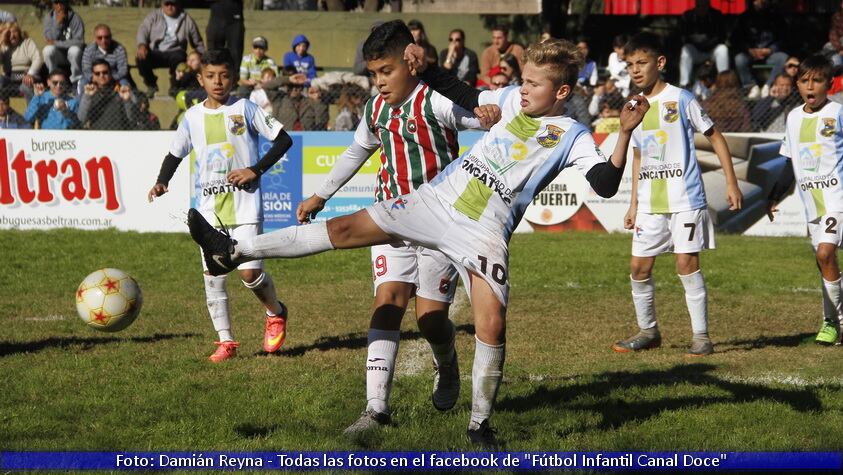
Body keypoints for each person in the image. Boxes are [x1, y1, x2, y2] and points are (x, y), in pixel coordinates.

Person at [186, 37, 649, 447]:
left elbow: (606, 183)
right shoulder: (509, 101)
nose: (522, 89)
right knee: (346, 229)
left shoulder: (572, 135)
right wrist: (428, 67)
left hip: (484, 230)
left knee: (491, 324)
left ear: (562, 93)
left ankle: (480, 426)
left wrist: (624, 134)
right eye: (522, 81)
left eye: (533, 84)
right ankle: (234, 251)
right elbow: (467, 94)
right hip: (435, 198)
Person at [294, 20, 489, 436]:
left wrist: (485, 110)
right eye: (374, 74)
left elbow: (482, 118)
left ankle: (446, 359)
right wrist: (320, 196)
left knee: (430, 319)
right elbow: (355, 152)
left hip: (438, 225)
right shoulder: (375, 110)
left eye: (387, 72)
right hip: (389, 219)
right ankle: (376, 408)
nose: (379, 82)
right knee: (388, 301)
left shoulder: (435, 102)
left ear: (411, 62)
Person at [148, 49, 294, 362]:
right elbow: (175, 154)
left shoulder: (245, 108)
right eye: (211, 76)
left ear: (232, 77)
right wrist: (162, 181)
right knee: (213, 276)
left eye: (224, 75)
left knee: (249, 272)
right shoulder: (192, 117)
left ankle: (275, 312)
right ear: (200, 79)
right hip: (207, 209)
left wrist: (254, 170)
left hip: (245, 205)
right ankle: (225, 341)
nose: (218, 82)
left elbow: (283, 140)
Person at [613, 32, 742, 357]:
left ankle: (701, 337)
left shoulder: (681, 98)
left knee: (686, 263)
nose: (636, 70)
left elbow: (715, 136)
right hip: (650, 203)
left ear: (660, 62)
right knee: (639, 268)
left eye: (642, 63)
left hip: (685, 198)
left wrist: (731, 182)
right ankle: (648, 331)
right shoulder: (633, 107)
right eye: (630, 65)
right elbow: (638, 154)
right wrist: (633, 203)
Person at [767, 54, 843, 346]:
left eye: (817, 80)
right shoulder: (793, 118)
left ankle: (834, 322)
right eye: (804, 80)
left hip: (837, 199)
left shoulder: (837, 113)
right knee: (823, 263)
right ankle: (832, 325)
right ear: (797, 84)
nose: (810, 87)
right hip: (812, 203)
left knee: (825, 254)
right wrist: (775, 195)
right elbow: (790, 163)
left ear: (829, 83)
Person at [136, 0, 205, 97]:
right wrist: (141, 45)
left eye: (172, 4)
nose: (169, 7)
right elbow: (143, 30)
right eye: (167, 4)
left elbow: (197, 41)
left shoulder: (186, 19)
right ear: (162, 4)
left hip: (175, 52)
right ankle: (151, 85)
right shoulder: (154, 16)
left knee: (180, 58)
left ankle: (175, 87)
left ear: (178, 4)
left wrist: (203, 57)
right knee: (140, 57)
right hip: (156, 52)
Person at [732, 0, 788, 99]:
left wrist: (770, 50)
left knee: (783, 57)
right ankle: (751, 87)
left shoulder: (776, 17)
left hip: (770, 54)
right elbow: (737, 39)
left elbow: (783, 38)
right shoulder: (744, 17)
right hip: (750, 54)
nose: (761, 2)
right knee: (739, 59)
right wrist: (748, 50)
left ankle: (768, 86)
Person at [678, 0, 729, 90]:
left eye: (704, 5)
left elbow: (722, 37)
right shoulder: (687, 16)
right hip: (696, 51)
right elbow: (683, 37)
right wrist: (697, 42)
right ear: (696, 5)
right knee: (686, 50)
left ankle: (724, 83)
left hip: (712, 50)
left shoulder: (716, 15)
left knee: (723, 49)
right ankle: (684, 85)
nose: (702, 8)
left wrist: (708, 43)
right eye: (699, 6)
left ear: (708, 5)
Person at [78, 59, 139, 130]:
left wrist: (127, 101)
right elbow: (81, 118)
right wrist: (87, 97)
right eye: (97, 73)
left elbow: (134, 118)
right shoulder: (89, 93)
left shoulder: (123, 90)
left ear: (110, 74)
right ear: (93, 76)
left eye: (105, 72)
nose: (101, 76)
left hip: (121, 135)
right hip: (98, 136)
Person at [42, 0, 84, 86]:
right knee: (47, 50)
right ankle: (53, 78)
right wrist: (58, 23)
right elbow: (49, 39)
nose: (59, 6)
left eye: (61, 2)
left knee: (74, 50)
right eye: (56, 3)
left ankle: (76, 82)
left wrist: (57, 43)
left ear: (66, 3)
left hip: (72, 54)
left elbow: (79, 41)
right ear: (53, 4)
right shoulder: (49, 18)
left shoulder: (75, 18)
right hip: (58, 55)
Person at [80, 24, 131, 92]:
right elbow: (86, 70)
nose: (103, 40)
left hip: (114, 78)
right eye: (100, 38)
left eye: (106, 37)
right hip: (94, 78)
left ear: (111, 37)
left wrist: (109, 78)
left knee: (124, 83)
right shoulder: (89, 50)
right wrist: (96, 79)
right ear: (95, 38)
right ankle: (79, 102)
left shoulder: (119, 49)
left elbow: (123, 70)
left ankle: (129, 102)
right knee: (83, 83)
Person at [0, 23, 42, 101]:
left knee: (25, 87)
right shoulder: (4, 47)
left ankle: (34, 111)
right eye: (9, 33)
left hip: (28, 76)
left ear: (19, 32)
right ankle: (5, 110)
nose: (12, 36)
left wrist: (30, 74)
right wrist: (1, 41)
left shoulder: (27, 43)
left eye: (14, 32)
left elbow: (38, 59)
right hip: (10, 78)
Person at [206, 0, 244, 64]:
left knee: (235, 54)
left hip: (235, 19)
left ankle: (234, 73)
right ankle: (213, 72)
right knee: (213, 54)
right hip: (216, 18)